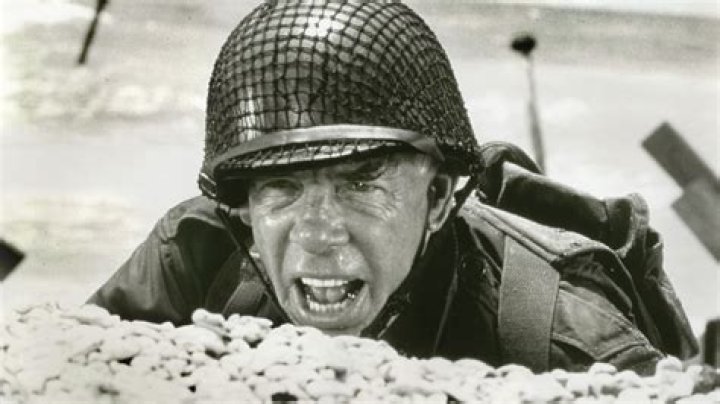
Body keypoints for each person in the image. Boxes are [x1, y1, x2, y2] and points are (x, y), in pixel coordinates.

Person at [89, 0, 697, 374]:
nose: (318, 235)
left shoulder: (564, 333)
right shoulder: (196, 252)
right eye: (282, 186)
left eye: (360, 182)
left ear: (437, 197)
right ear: (244, 207)